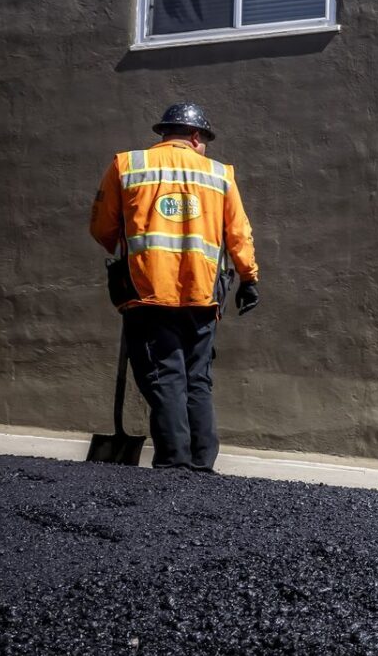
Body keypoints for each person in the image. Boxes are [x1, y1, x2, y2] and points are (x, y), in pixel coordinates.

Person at [89, 103, 260, 472]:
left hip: (147, 292)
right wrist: (249, 279)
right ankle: (201, 461)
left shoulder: (127, 165)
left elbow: (102, 229)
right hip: (203, 294)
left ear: (165, 133)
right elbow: (239, 234)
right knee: (197, 378)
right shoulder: (220, 174)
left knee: (164, 376)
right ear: (196, 136)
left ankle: (173, 462)